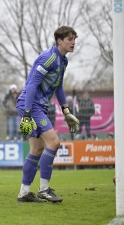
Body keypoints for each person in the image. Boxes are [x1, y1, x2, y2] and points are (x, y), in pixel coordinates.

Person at [16, 26, 79, 203]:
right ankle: (44, 190)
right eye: (69, 39)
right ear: (59, 41)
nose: (73, 42)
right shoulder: (48, 58)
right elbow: (31, 86)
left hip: (38, 107)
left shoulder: (63, 61)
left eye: (74, 39)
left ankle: (24, 193)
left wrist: (66, 111)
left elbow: (58, 87)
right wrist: (27, 113)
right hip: (31, 105)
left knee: (37, 149)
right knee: (54, 142)